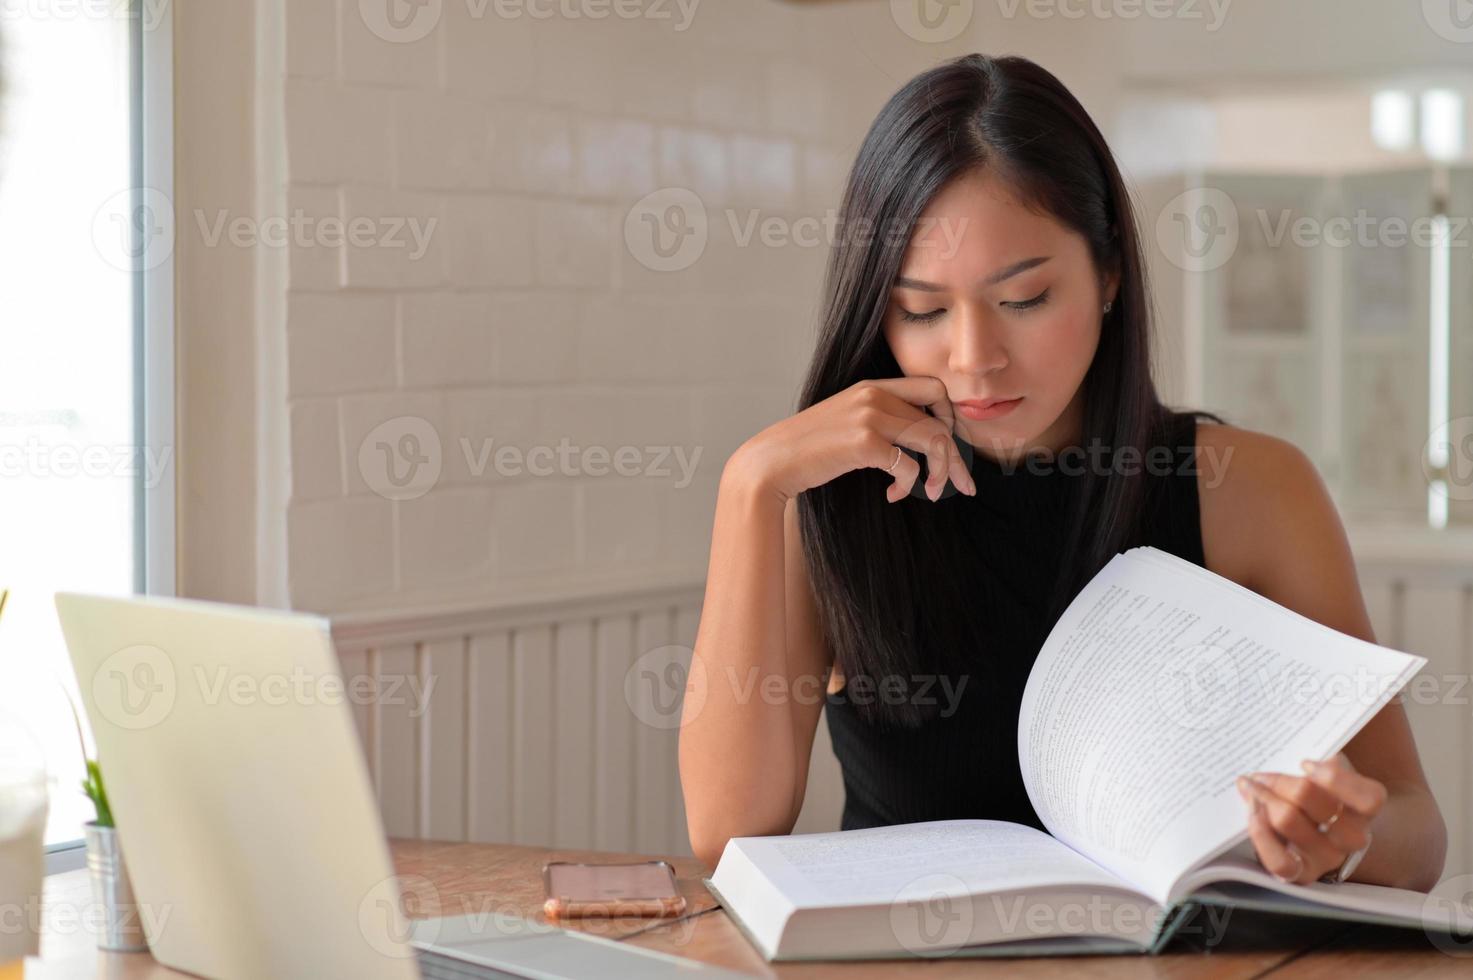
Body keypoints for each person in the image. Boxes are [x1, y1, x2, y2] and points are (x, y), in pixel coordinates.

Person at [677, 52, 1446, 892]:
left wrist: (1341, 839)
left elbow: (1414, 828)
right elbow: (726, 837)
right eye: (923, 310)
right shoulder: (827, 496)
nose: (973, 359)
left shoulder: (1249, 490)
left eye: (1025, 299)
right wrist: (750, 484)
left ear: (1108, 275)